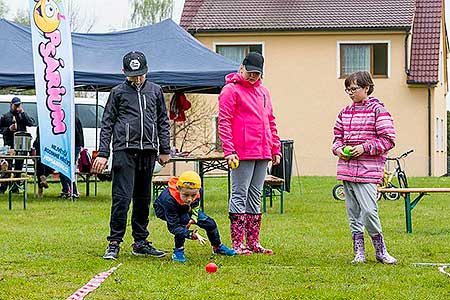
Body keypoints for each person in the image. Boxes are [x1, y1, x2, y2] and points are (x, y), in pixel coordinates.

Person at [92, 51, 171, 260]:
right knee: (122, 199)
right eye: (132, 75)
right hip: (124, 152)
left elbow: (163, 121)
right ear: (124, 72)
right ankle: (114, 242)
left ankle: (140, 242)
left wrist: (165, 149)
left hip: (148, 152)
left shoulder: (156, 91)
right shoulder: (117, 92)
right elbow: (107, 123)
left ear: (146, 71)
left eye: (140, 74)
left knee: (143, 199)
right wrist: (102, 153)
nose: (137, 78)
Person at [218, 52, 281, 255]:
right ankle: (238, 243)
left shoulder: (264, 92)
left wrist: (275, 148)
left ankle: (254, 242)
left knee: (255, 194)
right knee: (239, 193)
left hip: (262, 150)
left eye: (257, 73)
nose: (253, 76)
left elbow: (270, 120)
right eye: (250, 72)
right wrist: (229, 150)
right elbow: (224, 121)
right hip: (241, 152)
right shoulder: (230, 90)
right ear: (242, 68)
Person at [332, 71, 397, 264]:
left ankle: (380, 250)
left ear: (366, 88)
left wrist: (364, 148)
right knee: (353, 214)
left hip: (369, 171)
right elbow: (336, 139)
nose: (350, 93)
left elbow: (388, 140)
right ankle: (359, 252)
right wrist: (339, 150)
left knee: (369, 211)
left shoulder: (379, 110)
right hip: (347, 170)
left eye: (354, 89)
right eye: (348, 89)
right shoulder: (344, 112)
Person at [153, 171, 236, 263]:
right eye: (186, 195)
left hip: (186, 208)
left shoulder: (198, 191)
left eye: (193, 195)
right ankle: (178, 251)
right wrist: (189, 233)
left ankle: (217, 247)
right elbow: (174, 227)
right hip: (166, 210)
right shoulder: (169, 200)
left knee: (210, 223)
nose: (189, 199)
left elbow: (196, 205)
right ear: (178, 189)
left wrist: (194, 217)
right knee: (183, 221)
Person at [0, 97, 35, 193]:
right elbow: (0, 129)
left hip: (21, 145)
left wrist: (23, 113)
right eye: (15, 105)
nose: (17, 107)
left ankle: (15, 188)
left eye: (19, 105)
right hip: (9, 145)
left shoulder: (22, 115)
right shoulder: (5, 116)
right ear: (11, 105)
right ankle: (3, 188)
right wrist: (8, 129)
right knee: (7, 167)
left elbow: (31, 123)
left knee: (19, 167)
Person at [58, 115, 84, 198]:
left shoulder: (70, 118)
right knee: (63, 169)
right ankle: (67, 190)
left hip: (72, 146)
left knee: (66, 169)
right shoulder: (73, 117)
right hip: (74, 145)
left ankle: (73, 191)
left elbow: (75, 133)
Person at [33, 127, 53, 198]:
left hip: (48, 165)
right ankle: (43, 178)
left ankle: (40, 187)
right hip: (47, 165)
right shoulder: (49, 141)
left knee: (39, 165)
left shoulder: (36, 142)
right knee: (39, 163)